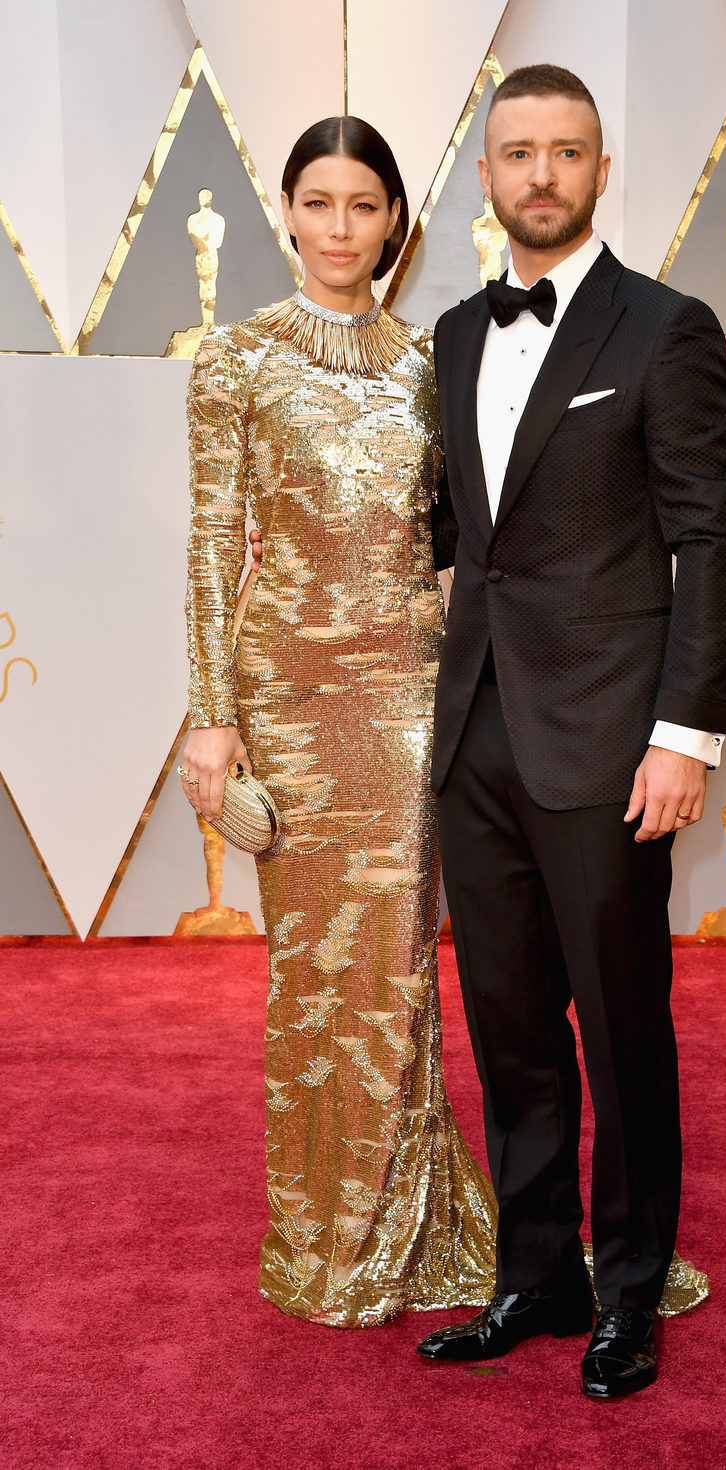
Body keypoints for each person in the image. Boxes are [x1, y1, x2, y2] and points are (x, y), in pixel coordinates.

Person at [414, 65, 726, 1399]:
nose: (540, 174)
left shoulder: (666, 327)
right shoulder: (449, 331)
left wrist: (683, 732)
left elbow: (707, 540)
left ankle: (628, 1295)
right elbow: (464, 530)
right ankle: (534, 1276)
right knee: (509, 1026)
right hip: (478, 732)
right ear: (486, 176)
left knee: (622, 1024)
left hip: (614, 740)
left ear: (601, 171)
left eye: (566, 152)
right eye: (517, 152)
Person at [178, 116, 496, 1327]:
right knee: (311, 975)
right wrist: (212, 717)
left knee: (398, 968)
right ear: (287, 212)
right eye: (318, 203)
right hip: (291, 696)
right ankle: (325, 1233)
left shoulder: (429, 359)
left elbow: (457, 537)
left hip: (410, 693)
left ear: (394, 224)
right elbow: (213, 543)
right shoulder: (236, 358)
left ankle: (402, 1224)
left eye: (363, 207)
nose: (339, 230)